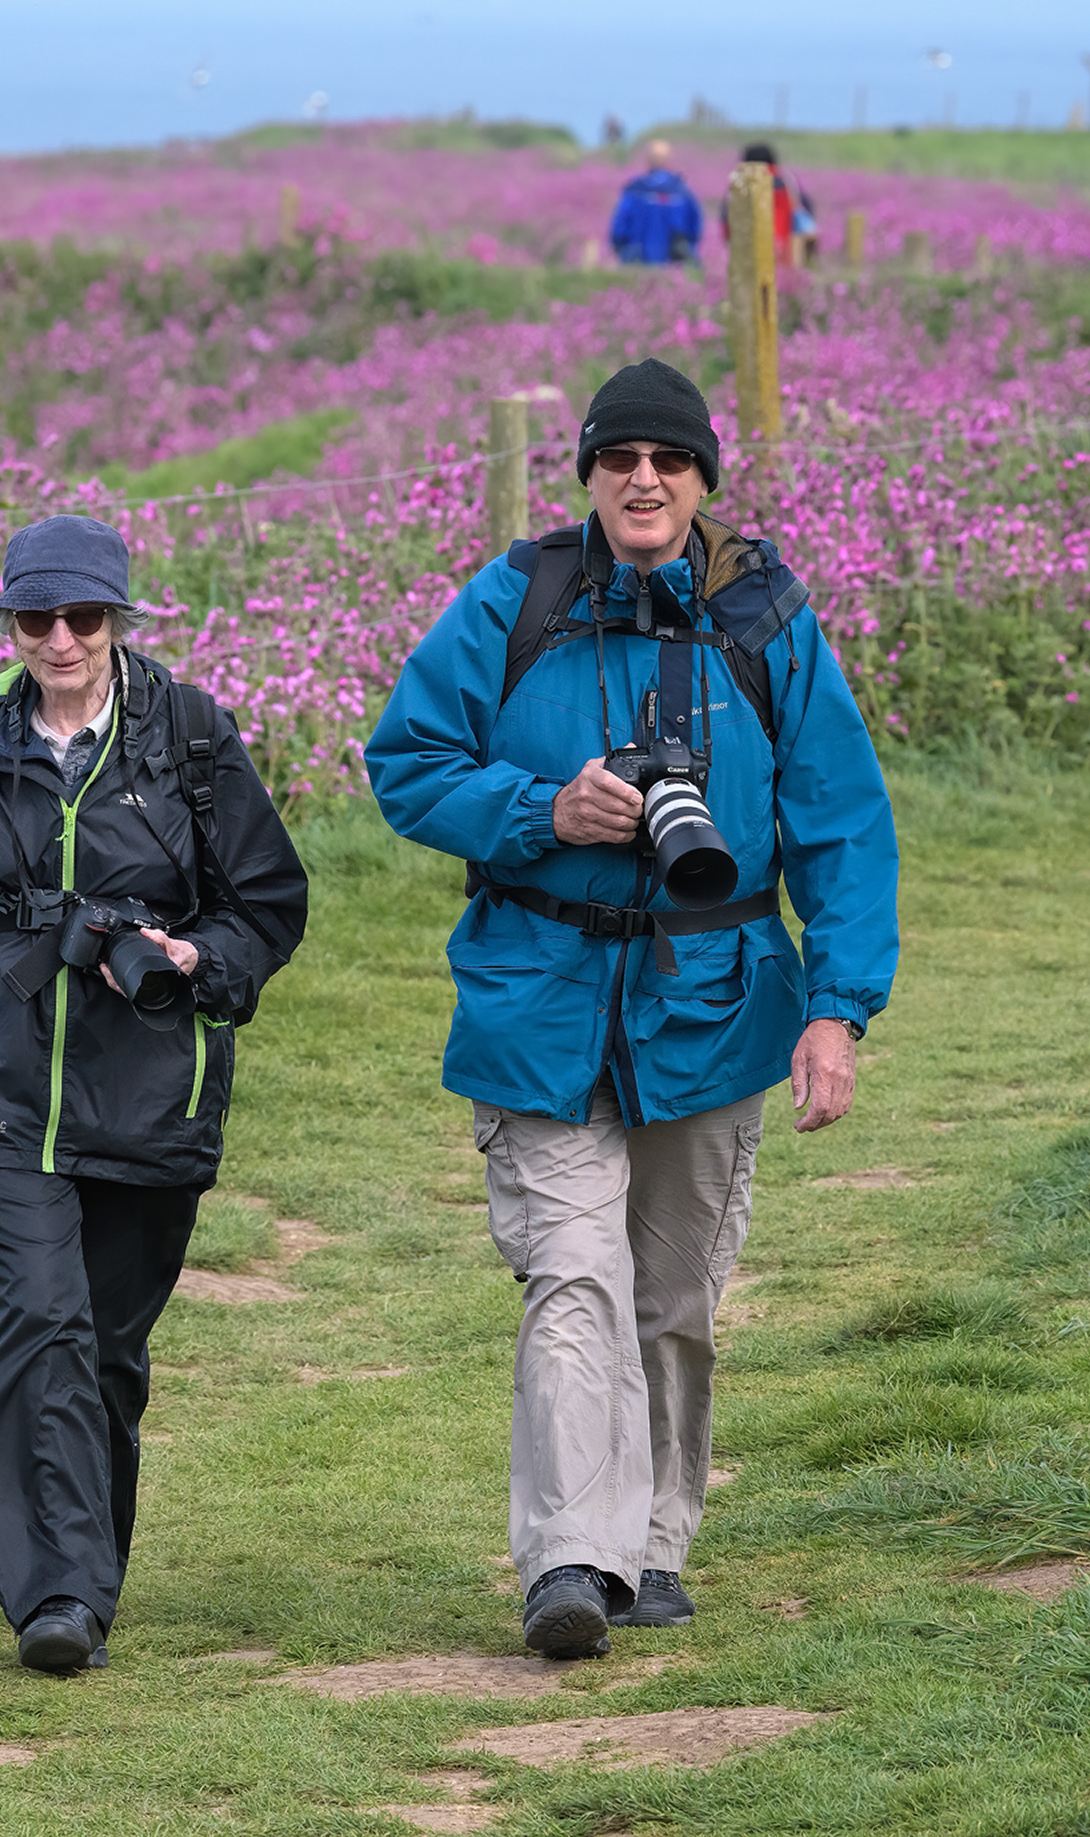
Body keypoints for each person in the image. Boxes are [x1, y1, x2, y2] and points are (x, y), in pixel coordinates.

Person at [365, 359, 900, 1659]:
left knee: (672, 1298)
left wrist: (835, 1007)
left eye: (667, 459)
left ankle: (653, 1541)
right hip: (533, 999)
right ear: (589, 477)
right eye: (617, 459)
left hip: (712, 1004)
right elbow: (405, 764)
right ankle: (567, 1560)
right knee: (573, 1277)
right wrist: (539, 811)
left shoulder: (765, 619)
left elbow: (839, 826)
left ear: (703, 478)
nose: (641, 479)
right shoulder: (518, 599)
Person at [0, 515, 309, 1675]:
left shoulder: (189, 736)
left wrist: (202, 962)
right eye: (34, 618)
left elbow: (268, 901)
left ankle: (88, 1569)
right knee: (36, 1323)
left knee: (106, 1350)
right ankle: (59, 1598)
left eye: (82, 616)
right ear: (10, 623)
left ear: (118, 620)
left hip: (147, 1082)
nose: (59, 638)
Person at [723, 142, 820, 269]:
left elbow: (726, 220)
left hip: (750, 254)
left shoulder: (740, 183)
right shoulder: (786, 180)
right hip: (786, 251)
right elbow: (804, 211)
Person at [607, 140, 702, 266]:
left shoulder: (635, 189)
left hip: (637, 262)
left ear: (648, 159)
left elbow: (619, 228)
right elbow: (695, 228)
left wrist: (621, 250)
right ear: (669, 160)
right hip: (674, 264)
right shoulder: (682, 191)